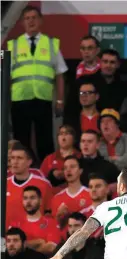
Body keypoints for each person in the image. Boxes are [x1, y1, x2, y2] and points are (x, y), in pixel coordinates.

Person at [8, 5, 67, 161]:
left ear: (40, 20)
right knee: (21, 140)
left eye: (34, 17)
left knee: (45, 140)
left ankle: (47, 173)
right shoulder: (11, 45)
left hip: (43, 99)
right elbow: (5, 76)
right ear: (22, 22)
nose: (31, 21)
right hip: (19, 100)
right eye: (27, 18)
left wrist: (60, 100)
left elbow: (60, 74)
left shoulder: (51, 44)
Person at [7, 186, 60, 256]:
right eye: (25, 198)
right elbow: (9, 249)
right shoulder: (15, 224)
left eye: (32, 198)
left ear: (40, 201)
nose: (28, 201)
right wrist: (39, 242)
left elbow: (51, 248)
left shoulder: (51, 223)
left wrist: (23, 247)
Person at [7, 143, 53, 219]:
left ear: (29, 162)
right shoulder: (4, 185)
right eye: (12, 158)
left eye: (19, 158)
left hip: (35, 230)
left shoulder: (43, 185)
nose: (15, 162)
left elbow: (50, 213)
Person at [51, 156, 92, 228]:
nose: (68, 170)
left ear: (80, 171)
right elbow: (56, 227)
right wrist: (59, 217)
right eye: (65, 168)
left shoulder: (91, 194)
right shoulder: (57, 198)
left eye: (72, 167)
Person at [40, 125, 81, 190]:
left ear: (74, 138)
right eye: (61, 134)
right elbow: (41, 180)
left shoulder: (80, 157)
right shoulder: (49, 159)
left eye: (67, 134)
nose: (63, 137)